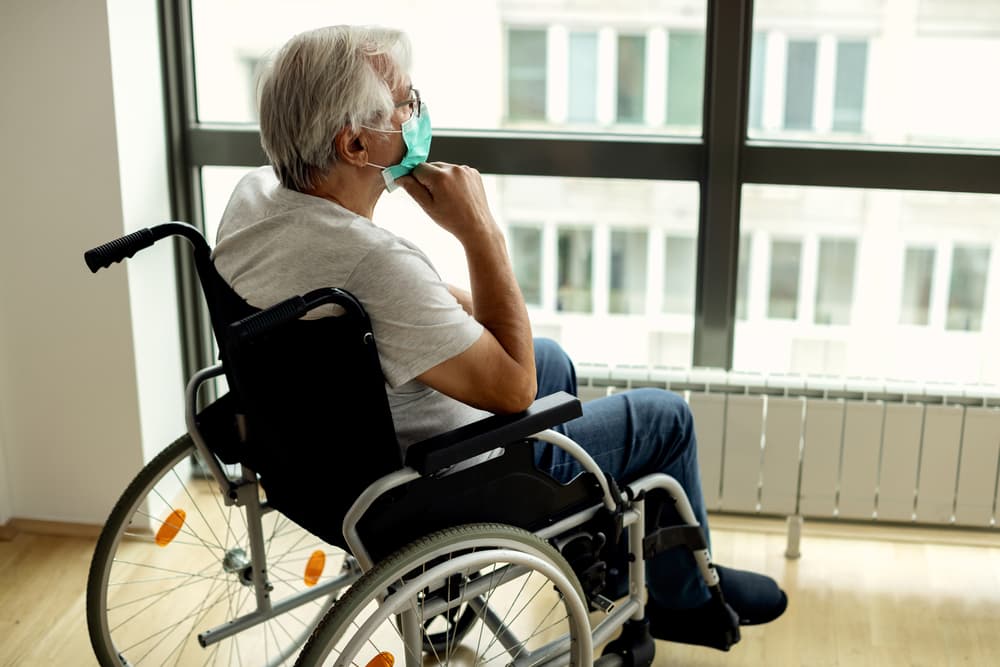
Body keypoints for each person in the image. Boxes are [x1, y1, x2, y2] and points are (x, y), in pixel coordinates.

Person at [212, 24, 786, 649]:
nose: (417, 114)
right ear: (355, 143)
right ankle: (687, 598)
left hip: (319, 459)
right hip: (432, 480)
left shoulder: (256, 202)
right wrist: (481, 232)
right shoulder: (371, 264)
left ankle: (599, 559)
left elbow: (412, 305)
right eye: (406, 103)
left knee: (552, 361)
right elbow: (513, 391)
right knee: (665, 418)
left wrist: (449, 300)